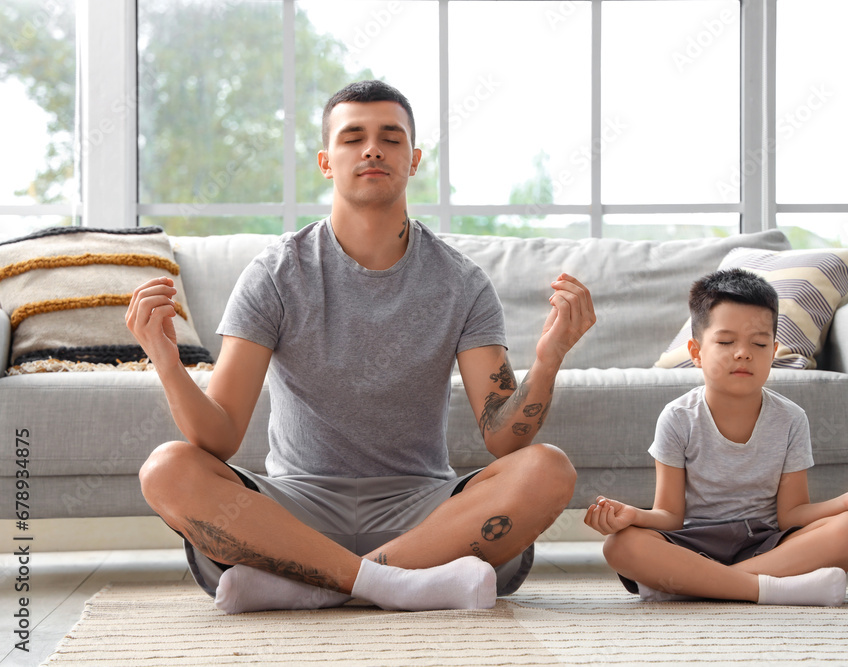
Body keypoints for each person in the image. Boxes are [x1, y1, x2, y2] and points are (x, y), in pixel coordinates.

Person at [127, 80, 596, 614]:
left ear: (413, 159)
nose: (372, 148)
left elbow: (503, 440)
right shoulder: (274, 275)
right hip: (296, 508)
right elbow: (220, 437)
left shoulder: (462, 282)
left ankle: (312, 586)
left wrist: (549, 358)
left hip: (422, 511)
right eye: (353, 137)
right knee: (167, 468)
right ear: (327, 162)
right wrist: (165, 362)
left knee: (547, 469)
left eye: (390, 138)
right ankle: (395, 585)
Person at [583, 268, 848, 606]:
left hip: (767, 542)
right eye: (725, 341)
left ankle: (696, 584)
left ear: (774, 350)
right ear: (696, 351)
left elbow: (791, 515)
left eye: (759, 343)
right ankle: (768, 588)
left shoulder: (791, 419)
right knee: (620, 545)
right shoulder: (677, 418)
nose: (743, 353)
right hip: (695, 543)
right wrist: (633, 515)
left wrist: (846, 501)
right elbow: (670, 517)